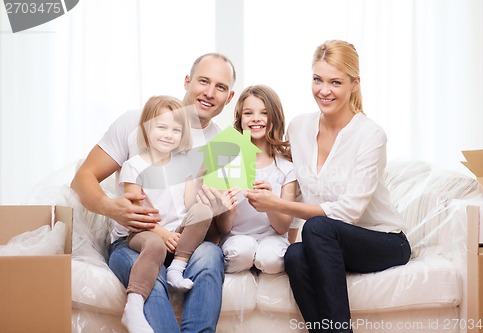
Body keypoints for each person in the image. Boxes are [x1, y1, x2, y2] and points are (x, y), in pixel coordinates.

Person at [245, 40, 411, 332]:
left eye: (335, 82)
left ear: (354, 84)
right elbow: (294, 189)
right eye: (317, 79)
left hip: (382, 240)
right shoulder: (299, 127)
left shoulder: (371, 135)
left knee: (318, 227)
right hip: (329, 241)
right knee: (295, 254)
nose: (324, 90)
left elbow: (348, 213)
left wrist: (277, 204)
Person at [71, 53, 236, 333]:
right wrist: (110, 207)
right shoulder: (139, 121)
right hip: (137, 239)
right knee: (149, 274)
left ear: (229, 97)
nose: (209, 93)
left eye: (220, 87)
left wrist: (223, 206)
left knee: (210, 255)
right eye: (203, 81)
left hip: (186, 242)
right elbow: (83, 178)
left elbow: (219, 229)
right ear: (187, 81)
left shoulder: (222, 146)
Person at [216, 85, 297, 274]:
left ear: (274, 118)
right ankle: (249, 258)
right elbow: (224, 227)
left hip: (273, 239)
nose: (255, 119)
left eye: (264, 113)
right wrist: (229, 208)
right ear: (240, 119)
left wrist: (270, 204)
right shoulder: (227, 161)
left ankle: (259, 259)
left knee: (271, 259)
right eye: (248, 113)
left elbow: (282, 226)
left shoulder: (286, 167)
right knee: (242, 250)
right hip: (237, 237)